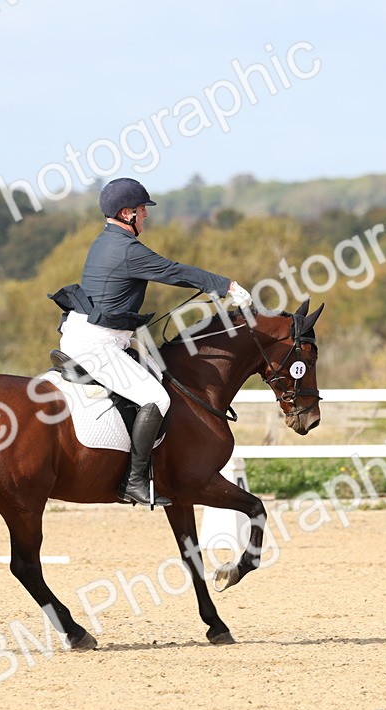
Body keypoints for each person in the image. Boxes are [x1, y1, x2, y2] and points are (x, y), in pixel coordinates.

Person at [49, 177, 253, 508]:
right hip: (98, 343)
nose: (146, 216)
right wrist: (225, 285)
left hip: (86, 333)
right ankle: (133, 481)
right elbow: (173, 271)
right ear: (128, 213)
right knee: (156, 398)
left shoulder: (104, 241)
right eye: (143, 210)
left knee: (155, 372)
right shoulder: (127, 250)